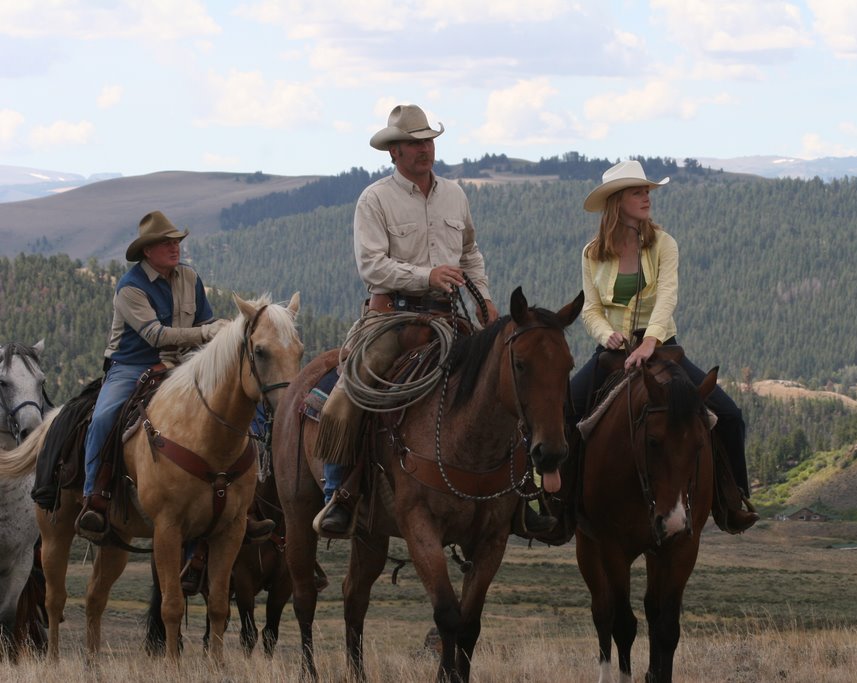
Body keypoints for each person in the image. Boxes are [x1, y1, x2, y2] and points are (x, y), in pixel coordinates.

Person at [313, 104, 555, 538]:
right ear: (394, 153)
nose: (424, 149)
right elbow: (372, 267)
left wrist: (485, 300)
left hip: (450, 316)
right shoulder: (374, 199)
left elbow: (470, 254)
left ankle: (519, 494)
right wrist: (427, 275)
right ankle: (340, 493)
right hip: (391, 318)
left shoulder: (454, 195)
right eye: (413, 143)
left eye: (428, 141)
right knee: (348, 394)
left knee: (504, 383)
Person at [569, 160, 758, 533]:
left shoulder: (664, 244)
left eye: (647, 192)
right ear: (617, 200)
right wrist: (605, 334)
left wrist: (650, 341)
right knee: (563, 411)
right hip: (613, 353)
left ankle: (733, 499)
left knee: (729, 415)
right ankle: (561, 502)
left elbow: (667, 296)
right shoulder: (592, 253)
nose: (646, 198)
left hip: (663, 347)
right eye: (638, 192)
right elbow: (590, 308)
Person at [75, 211, 276, 545]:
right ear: (147, 251)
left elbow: (206, 321)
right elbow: (155, 335)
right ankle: (94, 495)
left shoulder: (189, 277)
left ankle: (247, 503)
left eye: (176, 241)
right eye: (166, 243)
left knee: (240, 403)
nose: (175, 247)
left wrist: (219, 337)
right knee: (104, 416)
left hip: (183, 362)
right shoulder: (129, 288)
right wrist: (207, 332)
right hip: (132, 365)